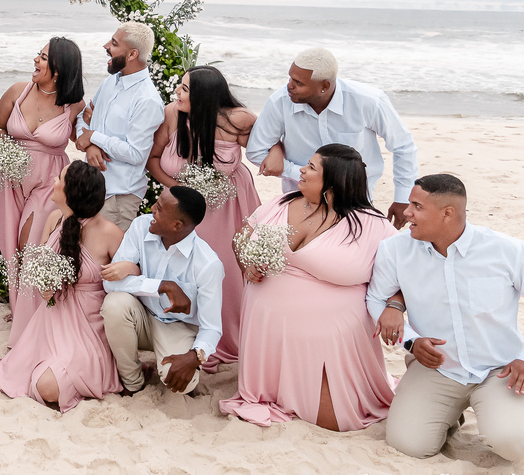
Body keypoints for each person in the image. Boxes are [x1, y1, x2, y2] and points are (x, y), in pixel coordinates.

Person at [367, 174, 524, 461]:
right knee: (408, 445)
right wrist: (410, 340)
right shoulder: (394, 250)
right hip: (437, 368)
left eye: (417, 206)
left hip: (500, 370)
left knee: (514, 445)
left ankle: (504, 411)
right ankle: (447, 414)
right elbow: (375, 298)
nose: (407, 212)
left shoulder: (506, 250)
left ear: (448, 213)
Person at [220, 144, 397, 431]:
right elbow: (240, 238)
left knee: (333, 421)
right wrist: (247, 264)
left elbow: (405, 273)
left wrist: (395, 306)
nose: (302, 170)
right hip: (266, 327)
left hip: (328, 335)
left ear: (333, 182)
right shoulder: (280, 204)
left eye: (312, 167)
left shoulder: (373, 225)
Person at [147, 65, 260, 368]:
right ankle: (188, 335)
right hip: (185, 208)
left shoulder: (238, 119)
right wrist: (180, 191)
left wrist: (275, 152)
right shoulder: (172, 114)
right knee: (186, 270)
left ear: (204, 96)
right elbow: (153, 159)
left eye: (185, 89)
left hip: (228, 205)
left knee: (225, 269)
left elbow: (267, 146)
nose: (177, 92)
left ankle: (228, 338)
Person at [0, 161, 124, 411]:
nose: (54, 180)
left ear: (72, 191)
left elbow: (129, 281)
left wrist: (129, 269)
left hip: (89, 325)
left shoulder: (110, 232)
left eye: (59, 178)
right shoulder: (54, 219)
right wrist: (46, 285)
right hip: (52, 317)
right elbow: (41, 276)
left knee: (47, 387)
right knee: (26, 374)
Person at [245, 47, 418, 228]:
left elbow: (403, 145)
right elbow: (256, 150)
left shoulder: (369, 101)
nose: (289, 86)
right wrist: (294, 170)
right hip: (299, 198)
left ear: (324, 86)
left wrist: (403, 197)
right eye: (290, 78)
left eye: (298, 83)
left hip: (355, 199)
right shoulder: (280, 101)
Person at [0, 37, 86, 344]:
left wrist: (93, 131)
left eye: (43, 58)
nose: (36, 60)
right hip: (12, 179)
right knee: (12, 247)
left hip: (48, 183)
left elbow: (80, 140)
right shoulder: (18, 91)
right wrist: (7, 151)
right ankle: (19, 306)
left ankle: (30, 317)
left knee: (31, 243)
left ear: (59, 69)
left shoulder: (74, 105)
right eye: (38, 55)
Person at [101, 186, 223, 395]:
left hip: (179, 328)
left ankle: (170, 362)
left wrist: (195, 356)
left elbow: (212, 328)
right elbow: (110, 284)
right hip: (140, 317)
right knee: (114, 304)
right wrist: (162, 285)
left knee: (182, 385)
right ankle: (133, 382)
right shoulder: (140, 226)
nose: (151, 210)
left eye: (159, 209)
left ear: (177, 225)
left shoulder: (208, 264)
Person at [75, 22, 166, 231]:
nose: (106, 46)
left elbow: (136, 153)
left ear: (132, 54)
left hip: (117, 198)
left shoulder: (147, 100)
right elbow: (83, 117)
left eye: (114, 43)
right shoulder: (109, 82)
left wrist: (94, 137)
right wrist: (90, 144)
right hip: (89, 187)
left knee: (109, 253)